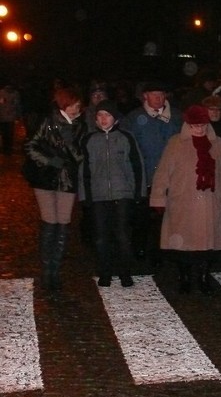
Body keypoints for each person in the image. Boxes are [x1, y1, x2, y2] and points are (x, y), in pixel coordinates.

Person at [150, 104, 221, 294]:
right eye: (194, 125)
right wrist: (158, 197)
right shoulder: (176, 143)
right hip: (182, 201)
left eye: (202, 125)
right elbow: (164, 172)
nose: (199, 129)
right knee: (182, 244)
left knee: (208, 245)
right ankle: (184, 277)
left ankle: (203, 277)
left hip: (210, 201)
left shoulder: (217, 144)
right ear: (187, 125)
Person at [23, 86, 87, 291]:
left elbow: (80, 157)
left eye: (78, 105)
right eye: (74, 104)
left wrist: (69, 143)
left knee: (63, 222)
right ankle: (47, 271)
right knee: (50, 221)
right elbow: (30, 146)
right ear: (64, 104)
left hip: (67, 181)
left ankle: (56, 269)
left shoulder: (81, 126)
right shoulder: (47, 122)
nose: (78, 108)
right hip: (45, 180)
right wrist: (50, 161)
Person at [79, 99, 145, 287]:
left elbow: (137, 165)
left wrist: (139, 192)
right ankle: (105, 272)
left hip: (122, 193)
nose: (103, 119)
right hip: (99, 195)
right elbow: (84, 170)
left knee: (123, 235)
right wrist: (85, 196)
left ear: (115, 119)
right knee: (100, 237)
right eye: (100, 115)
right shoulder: (89, 139)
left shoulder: (126, 137)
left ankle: (125, 272)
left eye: (107, 115)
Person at [124, 81, 183, 265]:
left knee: (168, 216)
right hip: (145, 176)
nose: (158, 98)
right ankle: (140, 247)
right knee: (142, 217)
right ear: (145, 96)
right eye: (154, 94)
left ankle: (163, 250)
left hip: (172, 176)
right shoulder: (134, 118)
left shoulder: (177, 117)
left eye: (161, 94)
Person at [0, 80, 23, 155]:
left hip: (5, 117)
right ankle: (8, 148)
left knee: (6, 133)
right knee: (8, 133)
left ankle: (6, 148)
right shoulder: (14, 93)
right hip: (8, 116)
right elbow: (17, 105)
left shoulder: (2, 93)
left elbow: (17, 105)